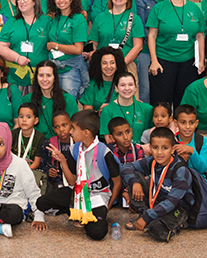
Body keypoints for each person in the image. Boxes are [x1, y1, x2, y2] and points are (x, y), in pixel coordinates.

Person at [38, 110, 120, 241]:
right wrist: (63, 161)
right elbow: (72, 182)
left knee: (97, 233)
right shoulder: (75, 149)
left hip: (98, 197)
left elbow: (117, 183)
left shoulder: (104, 152)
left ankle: (87, 215)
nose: (70, 132)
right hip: (77, 193)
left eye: (74, 129)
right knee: (41, 203)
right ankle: (76, 212)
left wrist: (107, 209)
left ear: (86, 132)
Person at [120, 127, 193, 242]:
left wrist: (147, 218)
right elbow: (125, 168)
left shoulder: (180, 171)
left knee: (157, 230)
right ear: (150, 148)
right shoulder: (151, 161)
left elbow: (171, 202)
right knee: (134, 177)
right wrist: (135, 183)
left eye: (165, 148)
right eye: (155, 148)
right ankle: (145, 214)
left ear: (173, 149)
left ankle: (175, 223)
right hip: (158, 199)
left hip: (178, 207)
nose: (159, 153)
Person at [146, 0, 205, 107]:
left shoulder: (194, 9)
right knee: (161, 104)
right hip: (163, 62)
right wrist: (154, 61)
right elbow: (152, 36)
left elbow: (200, 36)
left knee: (185, 104)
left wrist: (201, 60)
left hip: (188, 63)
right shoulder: (158, 8)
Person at [0, 0, 50, 93]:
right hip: (15, 77)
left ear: (34, 1)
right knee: (17, 108)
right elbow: (1, 46)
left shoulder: (46, 21)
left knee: (38, 108)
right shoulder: (11, 22)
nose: (22, 2)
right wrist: (17, 58)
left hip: (41, 79)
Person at [86, 0, 142, 82]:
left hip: (126, 65)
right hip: (102, 67)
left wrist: (120, 65)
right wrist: (92, 56)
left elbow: (138, 46)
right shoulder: (100, 17)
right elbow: (93, 42)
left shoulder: (134, 19)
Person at [45, 0, 88, 99]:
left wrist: (55, 46)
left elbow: (78, 49)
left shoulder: (78, 19)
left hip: (70, 70)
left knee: (67, 105)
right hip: (53, 70)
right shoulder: (55, 18)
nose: (61, 0)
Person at [134, 0, 170, 103]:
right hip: (145, 51)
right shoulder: (142, 0)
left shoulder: (172, 1)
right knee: (145, 88)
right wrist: (157, 41)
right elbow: (143, 27)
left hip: (166, 51)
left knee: (163, 88)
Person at [99, 71, 153, 143]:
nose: (127, 88)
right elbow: (109, 141)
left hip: (143, 153)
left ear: (135, 87)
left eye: (130, 85)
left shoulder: (147, 109)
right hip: (118, 153)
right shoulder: (107, 110)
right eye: (122, 85)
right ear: (116, 88)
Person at [28, 60, 70, 140]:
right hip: (35, 145)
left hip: (60, 145)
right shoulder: (28, 99)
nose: (44, 79)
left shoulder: (68, 99)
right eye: (41, 75)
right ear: (36, 78)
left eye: (48, 75)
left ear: (55, 78)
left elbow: (73, 128)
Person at [171, 104, 207, 179]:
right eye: (183, 122)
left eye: (191, 122)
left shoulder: (204, 141)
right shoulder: (171, 141)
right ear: (176, 123)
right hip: (177, 181)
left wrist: (191, 151)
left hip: (197, 182)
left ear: (196, 123)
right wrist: (177, 158)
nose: (187, 126)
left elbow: (203, 169)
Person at [80, 47, 122, 113]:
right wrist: (99, 113)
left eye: (112, 63)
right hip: (97, 121)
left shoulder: (123, 83)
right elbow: (87, 113)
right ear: (99, 65)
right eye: (104, 63)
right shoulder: (91, 85)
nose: (108, 66)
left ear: (117, 65)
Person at [12, 103, 44, 177]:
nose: (24, 120)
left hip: (31, 171)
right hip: (14, 170)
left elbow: (36, 162)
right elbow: (8, 151)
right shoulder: (14, 133)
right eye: (21, 116)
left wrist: (25, 170)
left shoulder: (40, 137)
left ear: (35, 120)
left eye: (28, 117)